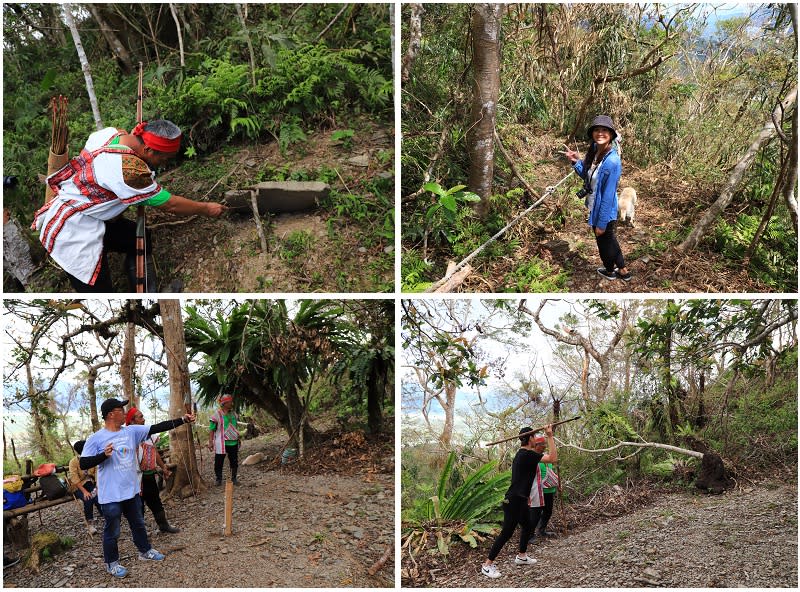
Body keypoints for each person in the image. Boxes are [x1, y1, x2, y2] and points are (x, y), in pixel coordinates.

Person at [31, 120, 226, 292]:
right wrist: (206, 208)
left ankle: (145, 292)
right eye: (163, 158)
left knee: (140, 239)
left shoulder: (109, 134)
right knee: (98, 289)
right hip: (72, 232)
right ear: (148, 150)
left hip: (91, 216)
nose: (163, 163)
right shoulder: (129, 170)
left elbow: (121, 130)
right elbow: (170, 204)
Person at [80, 397, 196, 578]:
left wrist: (182, 420)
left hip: (131, 491)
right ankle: (112, 563)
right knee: (113, 530)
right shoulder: (96, 439)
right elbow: (83, 463)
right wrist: (103, 455)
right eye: (121, 409)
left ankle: (145, 551)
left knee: (138, 523)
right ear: (111, 414)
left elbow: (157, 427)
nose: (125, 412)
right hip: (111, 495)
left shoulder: (131, 431)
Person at [482, 424, 557, 579]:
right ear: (529, 439)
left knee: (528, 526)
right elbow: (553, 458)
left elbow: (544, 455)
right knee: (507, 533)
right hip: (514, 500)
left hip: (521, 499)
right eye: (534, 436)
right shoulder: (526, 455)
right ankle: (487, 565)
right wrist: (549, 436)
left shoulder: (525, 454)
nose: (536, 439)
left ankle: (521, 556)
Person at [563, 115, 632, 282]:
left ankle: (610, 271)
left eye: (604, 130)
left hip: (604, 209)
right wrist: (575, 162)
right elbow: (589, 177)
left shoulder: (612, 161)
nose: (600, 133)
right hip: (595, 205)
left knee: (603, 242)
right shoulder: (595, 150)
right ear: (592, 133)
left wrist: (600, 223)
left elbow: (608, 194)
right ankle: (623, 271)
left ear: (611, 134)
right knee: (610, 240)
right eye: (596, 129)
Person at [125, 407, 180, 534]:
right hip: (136, 478)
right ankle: (141, 532)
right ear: (132, 422)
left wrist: (163, 467)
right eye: (140, 417)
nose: (143, 419)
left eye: (143, 416)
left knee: (155, 501)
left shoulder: (149, 435)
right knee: (139, 505)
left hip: (150, 475)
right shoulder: (128, 435)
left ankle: (163, 525)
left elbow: (154, 452)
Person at [529, 434, 559, 542]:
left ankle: (541, 530)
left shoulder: (545, 457)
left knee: (548, 511)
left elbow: (550, 472)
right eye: (542, 444)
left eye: (545, 444)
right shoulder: (532, 457)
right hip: (538, 491)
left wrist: (557, 483)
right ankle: (530, 535)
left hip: (549, 490)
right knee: (535, 514)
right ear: (536, 445)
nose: (544, 446)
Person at [68, 440, 103, 534]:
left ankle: (106, 516)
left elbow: (96, 473)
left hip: (90, 483)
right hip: (78, 487)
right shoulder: (73, 462)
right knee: (88, 498)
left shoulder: (92, 458)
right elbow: (74, 479)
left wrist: (98, 486)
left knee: (97, 497)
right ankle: (90, 524)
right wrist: (84, 492)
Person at [208, 394, 240, 486]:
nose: (231, 403)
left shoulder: (234, 414)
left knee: (234, 460)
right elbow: (212, 429)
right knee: (219, 461)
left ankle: (234, 478)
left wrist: (238, 438)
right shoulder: (216, 415)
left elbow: (235, 427)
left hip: (233, 442)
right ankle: (218, 479)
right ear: (224, 403)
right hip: (221, 443)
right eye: (230, 402)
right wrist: (210, 442)